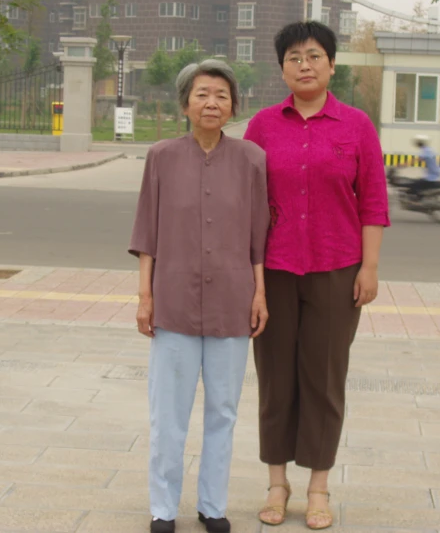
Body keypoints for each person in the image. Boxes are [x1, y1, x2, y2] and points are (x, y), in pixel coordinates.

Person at [243, 21, 390, 530]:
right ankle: (277, 483)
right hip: (275, 272)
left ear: (331, 64)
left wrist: (369, 268)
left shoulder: (356, 126)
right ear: (281, 68)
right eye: (293, 58)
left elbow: (373, 200)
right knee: (275, 379)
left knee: (325, 380)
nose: (304, 65)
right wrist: (251, 279)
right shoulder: (262, 126)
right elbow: (250, 204)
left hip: (337, 268)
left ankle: (319, 486)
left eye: (313, 56)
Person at [129, 59, 270, 533]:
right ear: (186, 102)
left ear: (234, 105)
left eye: (222, 95)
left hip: (233, 300)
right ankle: (163, 508)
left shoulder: (252, 159)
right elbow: (147, 232)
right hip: (174, 302)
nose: (212, 102)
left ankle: (213, 506)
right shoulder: (162, 158)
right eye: (203, 94)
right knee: (168, 413)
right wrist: (145, 297)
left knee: (223, 412)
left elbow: (258, 239)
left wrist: (260, 295)